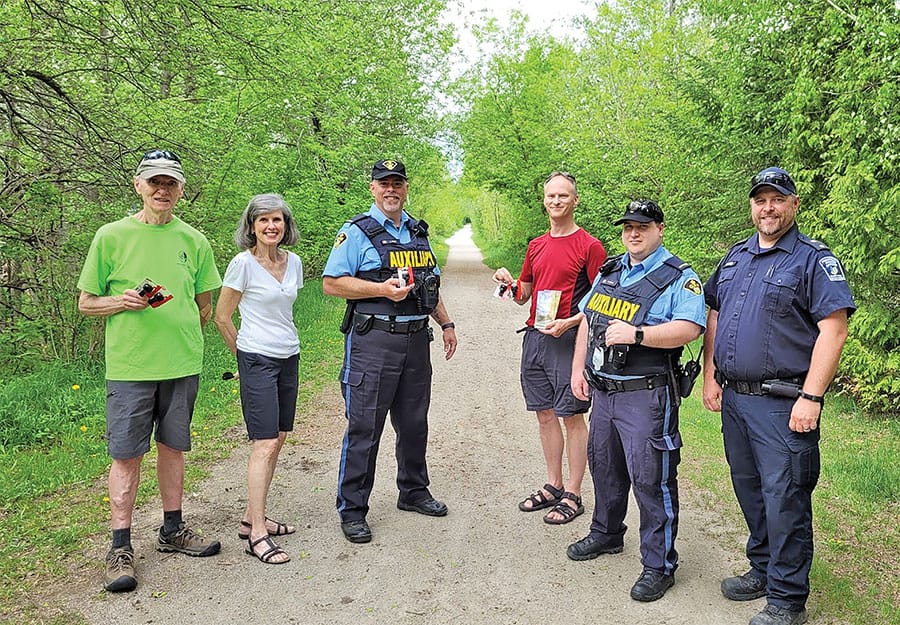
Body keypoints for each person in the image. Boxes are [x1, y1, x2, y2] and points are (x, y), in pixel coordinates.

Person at [702, 167, 855, 625]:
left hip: (784, 403)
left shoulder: (812, 260)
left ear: (794, 204)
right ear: (751, 205)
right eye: (759, 199)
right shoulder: (736, 257)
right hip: (736, 400)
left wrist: (812, 397)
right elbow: (714, 312)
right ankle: (763, 569)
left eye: (777, 199)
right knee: (749, 490)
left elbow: (835, 329)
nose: (767, 208)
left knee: (785, 498)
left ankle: (788, 600)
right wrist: (711, 374)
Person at [77, 149, 222, 593]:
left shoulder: (194, 240)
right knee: (126, 455)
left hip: (181, 365)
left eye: (171, 183)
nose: (163, 190)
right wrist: (121, 301)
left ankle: (172, 529)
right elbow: (85, 303)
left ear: (181, 190)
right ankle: (120, 546)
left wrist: (178, 331)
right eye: (155, 182)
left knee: (173, 448)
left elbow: (205, 305)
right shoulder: (111, 236)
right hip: (130, 368)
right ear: (139, 185)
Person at [568, 199, 705, 603]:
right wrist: (578, 370)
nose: (633, 233)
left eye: (642, 226)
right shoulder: (610, 271)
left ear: (660, 228)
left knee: (651, 478)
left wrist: (639, 334)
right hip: (604, 393)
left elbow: (691, 328)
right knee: (605, 468)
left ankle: (659, 565)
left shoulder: (679, 278)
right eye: (628, 226)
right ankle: (606, 533)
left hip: (647, 395)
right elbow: (586, 323)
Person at [322, 159, 458, 544]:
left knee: (415, 423)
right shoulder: (356, 232)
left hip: (416, 341)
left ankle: (413, 491)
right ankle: (352, 509)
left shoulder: (417, 231)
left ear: (405, 187)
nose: (391, 190)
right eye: (384, 184)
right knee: (365, 427)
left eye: (397, 183)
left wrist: (445, 323)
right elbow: (332, 284)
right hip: (373, 344)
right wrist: (381, 290)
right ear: (373, 189)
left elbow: (429, 284)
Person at [493, 171, 607, 525]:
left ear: (575, 201)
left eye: (563, 196)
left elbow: (602, 300)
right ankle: (553, 485)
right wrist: (509, 283)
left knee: (571, 416)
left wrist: (571, 322)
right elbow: (524, 294)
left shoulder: (590, 246)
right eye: (550, 196)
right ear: (544, 201)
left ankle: (574, 494)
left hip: (568, 340)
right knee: (544, 414)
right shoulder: (536, 245)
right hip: (535, 337)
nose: (556, 202)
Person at [214, 193, 303, 565]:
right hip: (257, 359)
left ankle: (253, 517)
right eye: (263, 220)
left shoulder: (294, 262)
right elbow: (222, 317)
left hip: (289, 355)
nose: (271, 227)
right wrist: (245, 358)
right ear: (251, 226)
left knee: (279, 437)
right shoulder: (242, 264)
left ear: (286, 225)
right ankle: (258, 537)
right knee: (264, 443)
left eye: (277, 220)